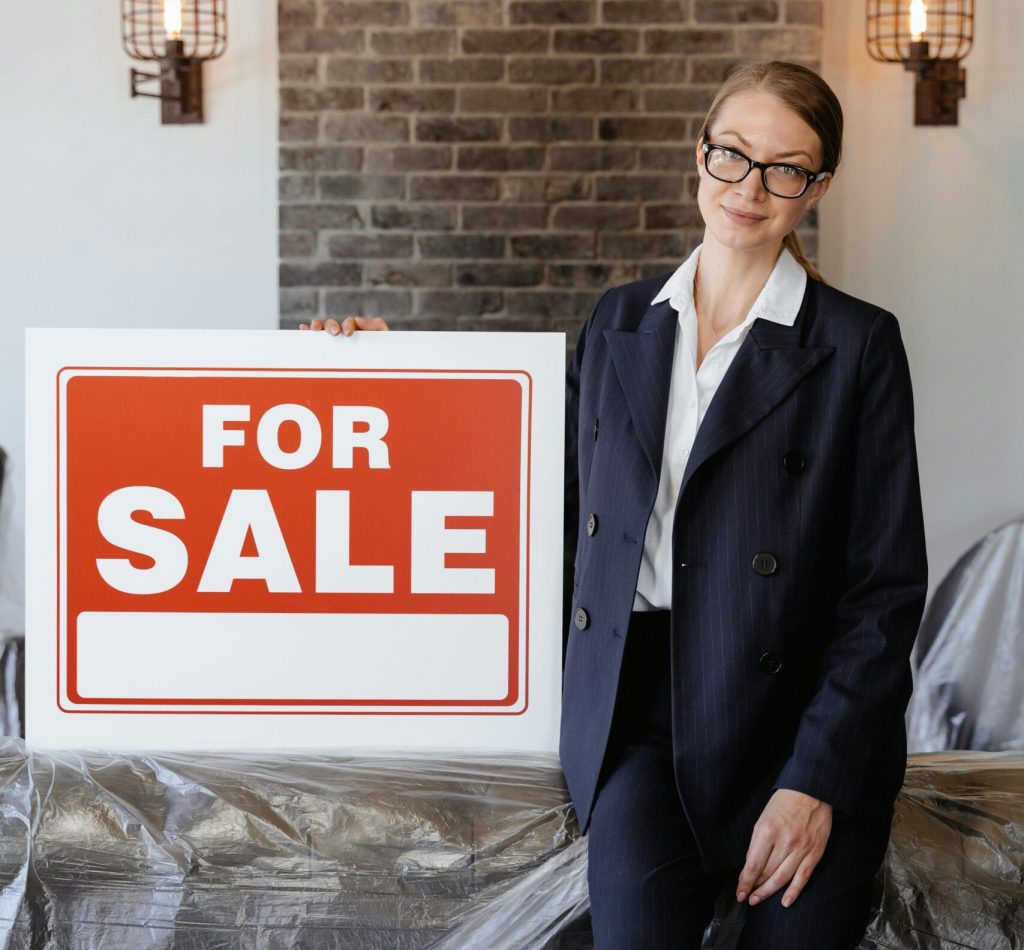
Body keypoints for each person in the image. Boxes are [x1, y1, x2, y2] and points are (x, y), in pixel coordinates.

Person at [303, 60, 928, 950]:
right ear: (698, 155)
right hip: (638, 721)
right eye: (733, 155)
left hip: (799, 727)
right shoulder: (620, 321)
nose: (750, 188)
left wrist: (815, 782)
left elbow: (885, 590)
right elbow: (529, 479)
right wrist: (384, 373)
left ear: (817, 186)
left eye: (785, 168)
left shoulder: (856, 342)